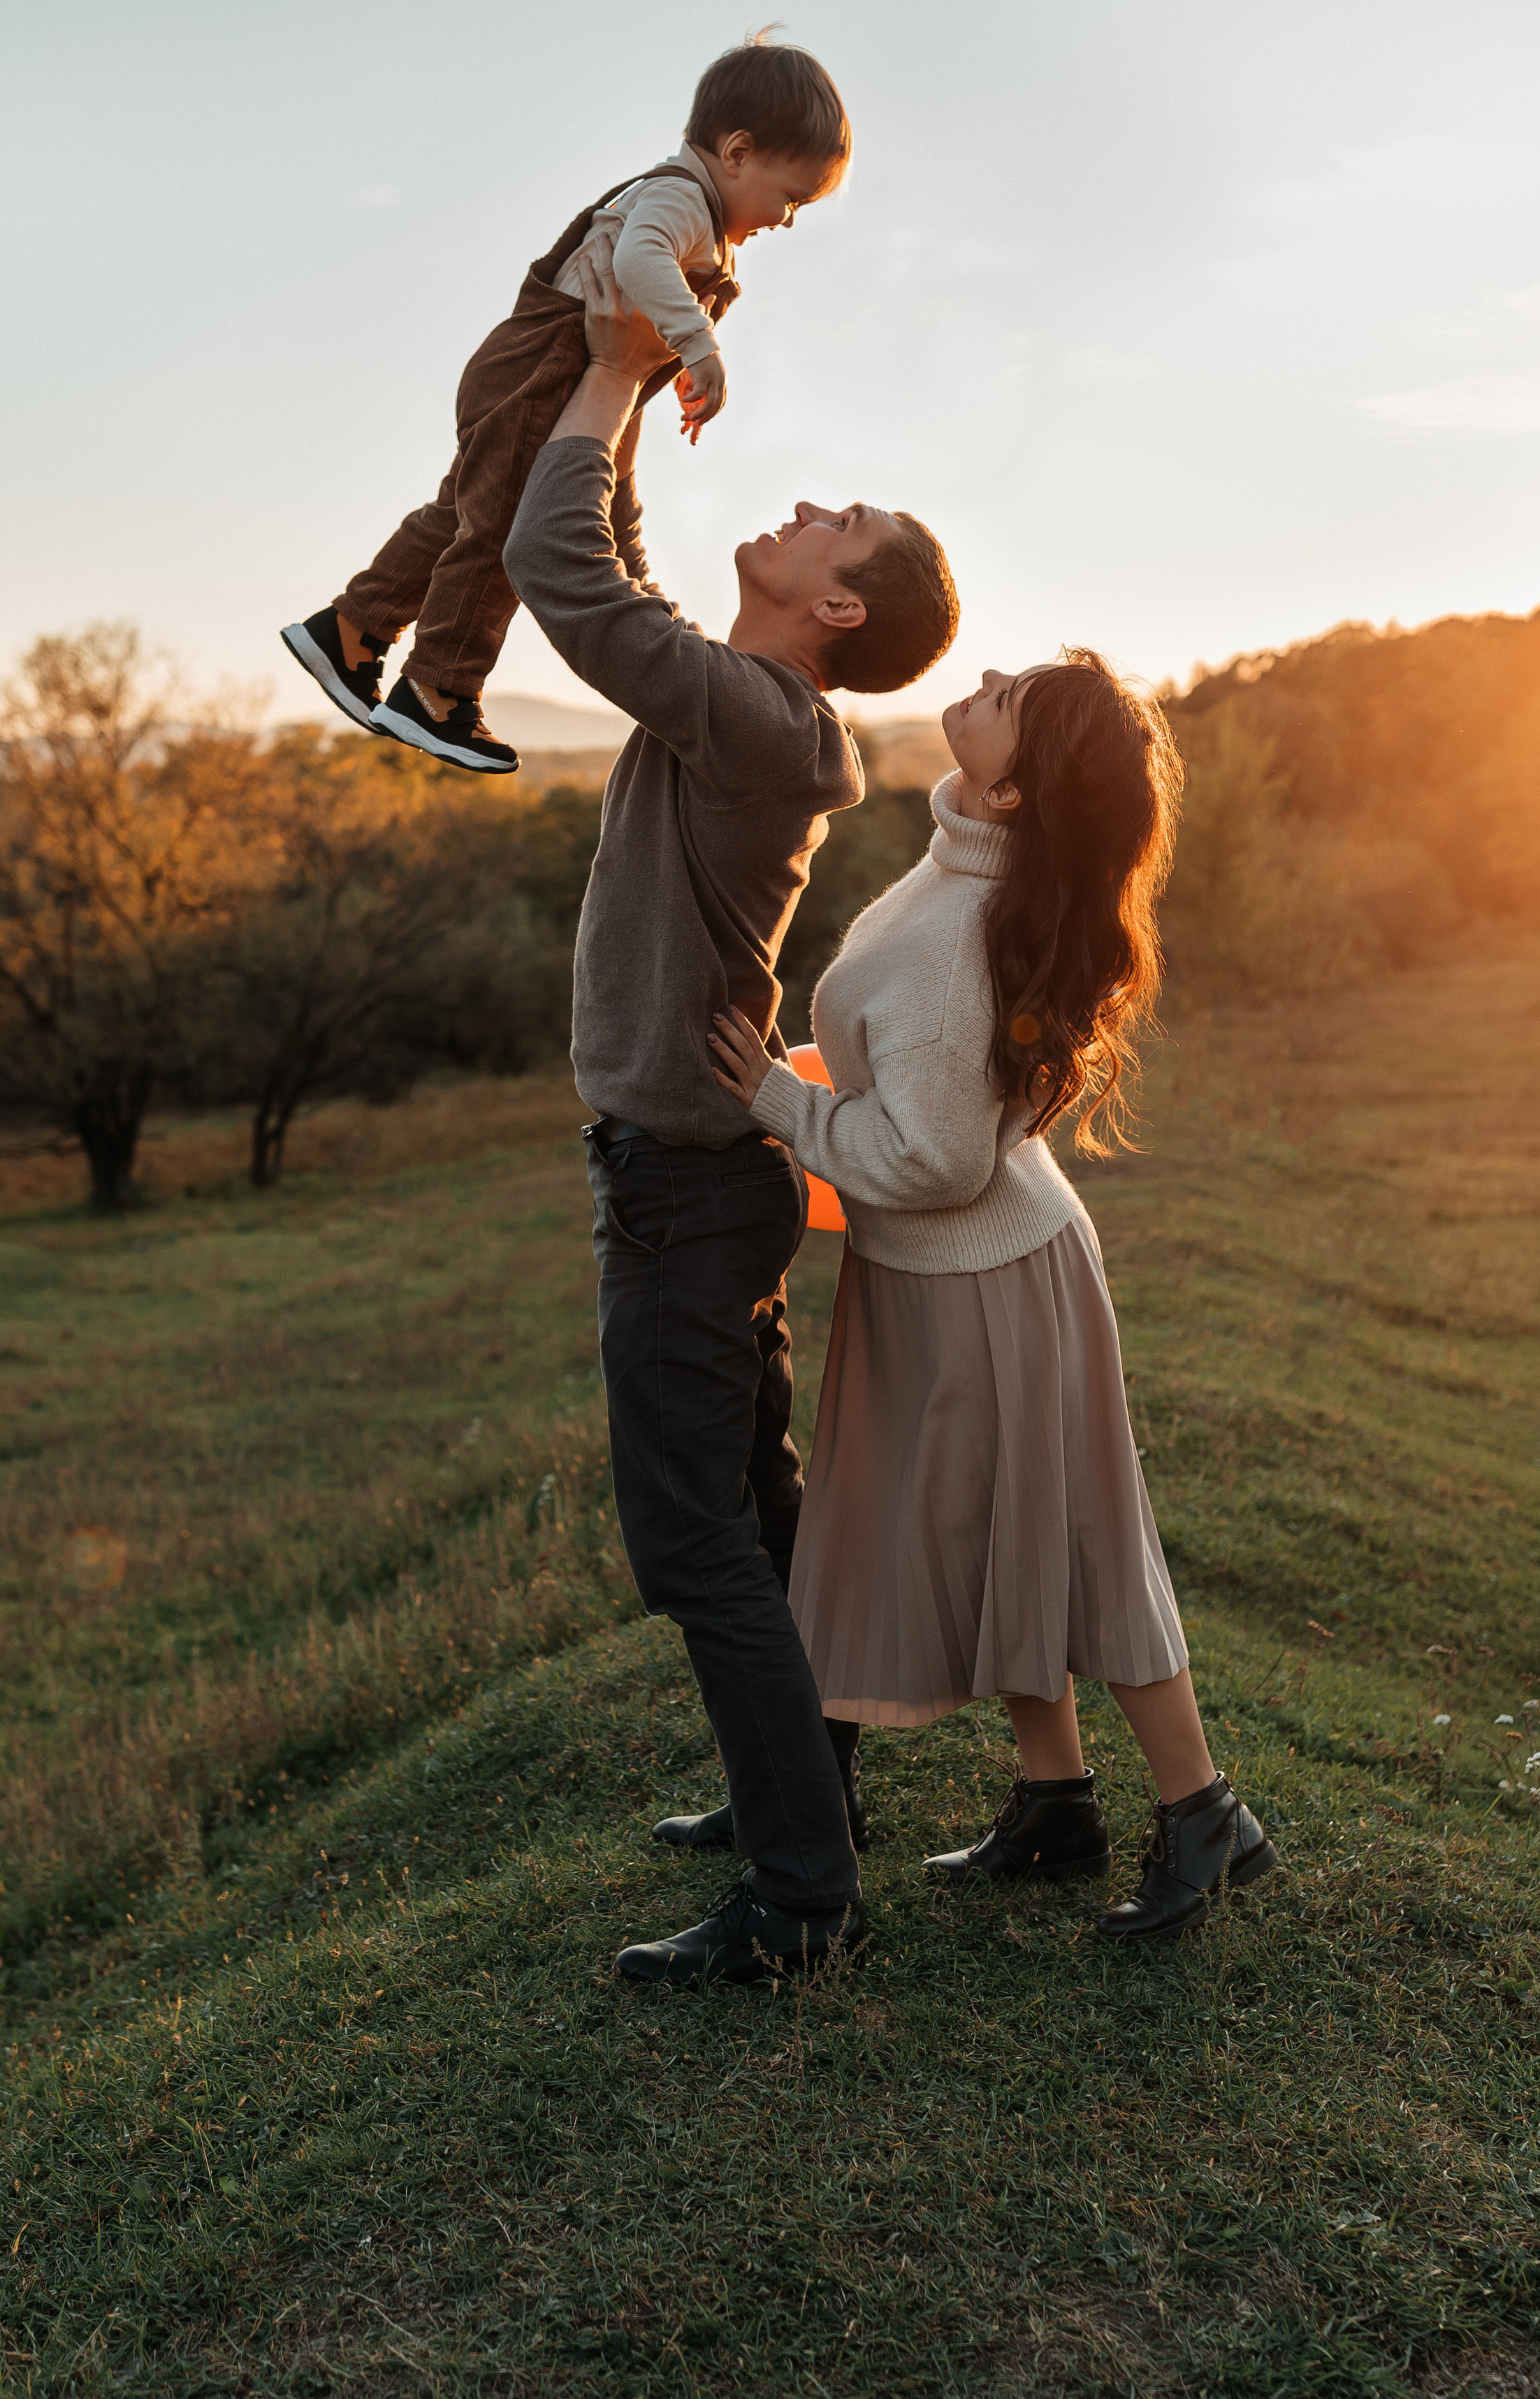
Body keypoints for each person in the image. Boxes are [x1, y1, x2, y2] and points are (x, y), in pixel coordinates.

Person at [502, 236, 959, 1985]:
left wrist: (615, 369)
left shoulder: (762, 721)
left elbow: (559, 571)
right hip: (704, 1176)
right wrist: (615, 394)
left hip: (685, 1192)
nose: (807, 506)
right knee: (759, 1517)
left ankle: (800, 1896)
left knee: (691, 1542)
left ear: (836, 609)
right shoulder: (745, 703)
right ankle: (807, 1794)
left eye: (839, 522)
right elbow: (614, 565)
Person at [708, 654, 1279, 1945]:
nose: (986, 675)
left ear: (1015, 792)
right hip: (946, 1275)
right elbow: (929, 1087)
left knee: (1080, 1542)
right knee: (1005, 1535)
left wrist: (780, 1100)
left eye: (1010, 695)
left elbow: (934, 1159)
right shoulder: (973, 873)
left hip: (990, 1282)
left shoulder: (962, 932)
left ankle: (1207, 1817)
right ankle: (1057, 1802)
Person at [280, 34, 851, 775]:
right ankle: (437, 690)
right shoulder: (681, 199)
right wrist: (698, 343)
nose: (788, 219)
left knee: (463, 513)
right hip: (541, 372)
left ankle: (349, 633)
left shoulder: (692, 207)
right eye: (792, 197)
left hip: (531, 372)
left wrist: (653, 381)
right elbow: (637, 260)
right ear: (737, 152)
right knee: (500, 532)